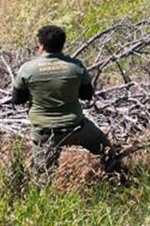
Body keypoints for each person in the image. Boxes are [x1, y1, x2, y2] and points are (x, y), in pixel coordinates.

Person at [10, 25, 119, 183]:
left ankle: (46, 201)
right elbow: (87, 95)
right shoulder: (76, 66)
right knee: (108, 152)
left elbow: (17, 99)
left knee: (42, 179)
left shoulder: (28, 69)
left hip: (45, 133)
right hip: (77, 128)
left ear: (41, 45)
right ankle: (116, 181)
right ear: (62, 44)